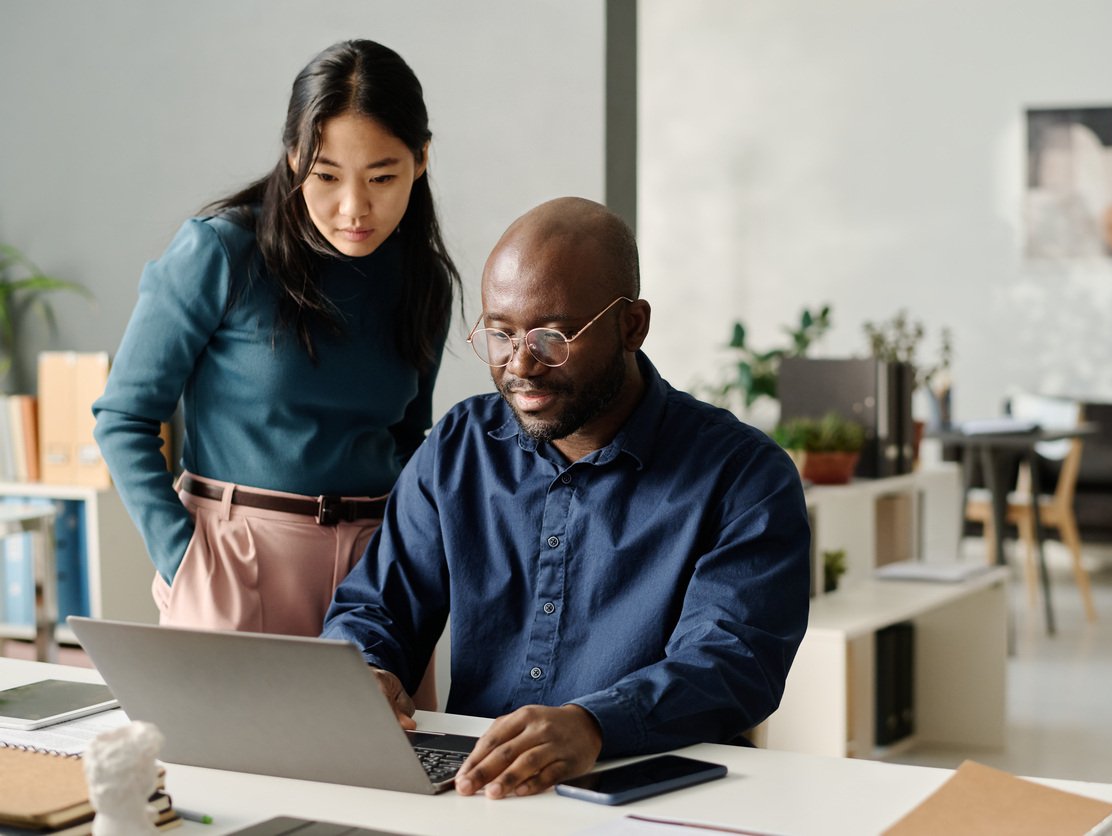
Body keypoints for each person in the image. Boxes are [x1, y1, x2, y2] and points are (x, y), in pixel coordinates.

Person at [322, 196, 811, 800]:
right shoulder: (459, 446)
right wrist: (366, 670)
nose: (521, 364)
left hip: (653, 798)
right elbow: (377, 605)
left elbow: (732, 662)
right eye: (500, 333)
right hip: (485, 796)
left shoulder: (743, 476)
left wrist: (595, 725)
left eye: (553, 336)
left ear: (631, 324)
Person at [92, 38, 460, 680]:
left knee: (383, 771)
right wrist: (184, 558)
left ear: (421, 159)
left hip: (376, 577)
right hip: (234, 560)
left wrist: (405, 559)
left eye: (381, 177)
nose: (354, 208)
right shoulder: (221, 252)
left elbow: (407, 437)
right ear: (293, 156)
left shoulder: (422, 279)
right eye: (326, 175)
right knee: (225, 774)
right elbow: (122, 416)